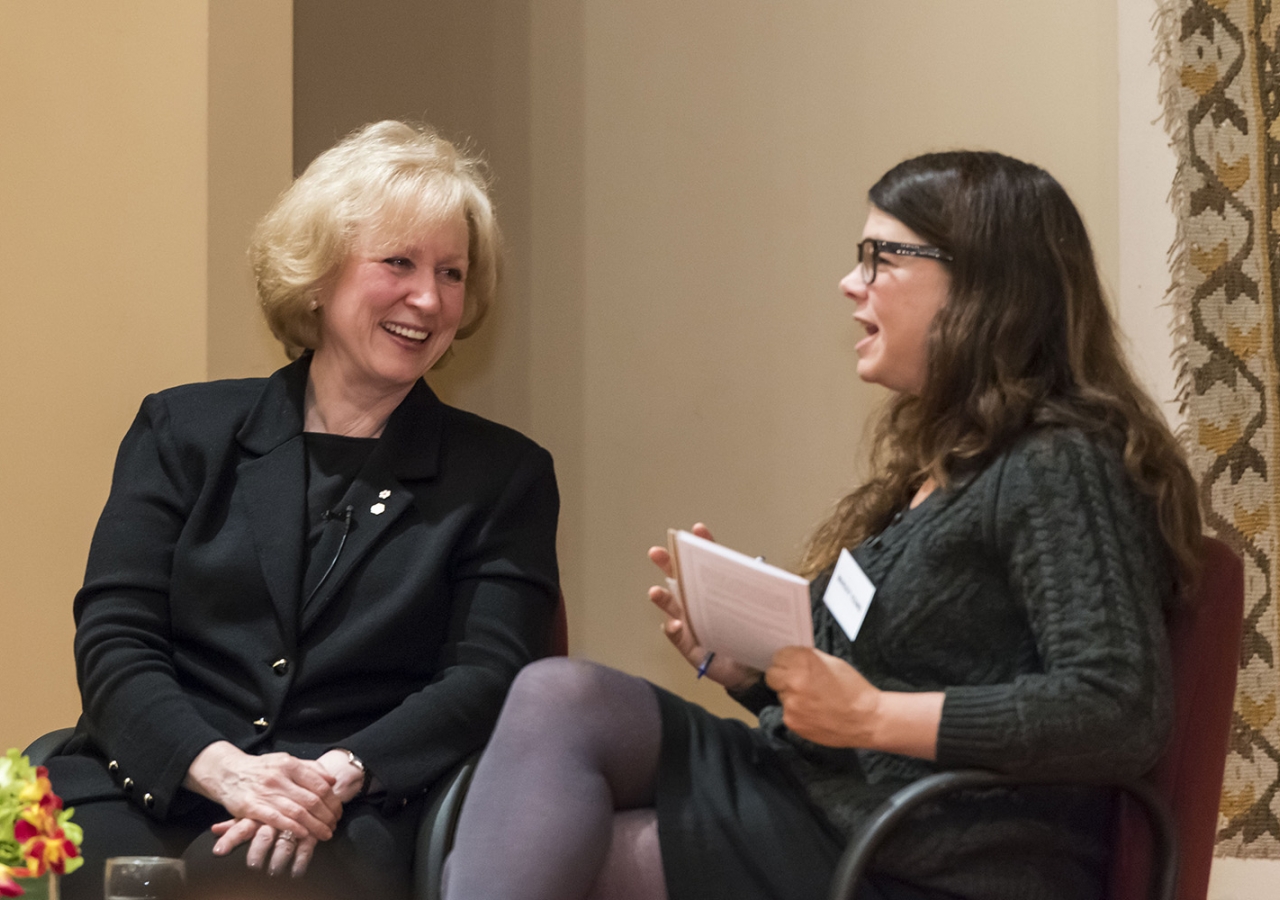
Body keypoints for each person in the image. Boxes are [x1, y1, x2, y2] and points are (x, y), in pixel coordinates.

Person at [440, 151, 1203, 900]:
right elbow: (876, 692)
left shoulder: (1059, 462)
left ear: (979, 285)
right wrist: (752, 671)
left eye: (880, 259)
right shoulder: (945, 467)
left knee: (589, 849)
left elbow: (1119, 708)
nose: (850, 283)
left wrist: (875, 715)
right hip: (836, 799)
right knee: (562, 698)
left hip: (932, 854)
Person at [46, 120, 560, 900]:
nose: (428, 298)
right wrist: (217, 767)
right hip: (153, 777)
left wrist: (333, 775)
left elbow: (488, 677)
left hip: (344, 808)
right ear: (317, 274)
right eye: (399, 262)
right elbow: (117, 636)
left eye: (451, 273)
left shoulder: (503, 475)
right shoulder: (183, 430)